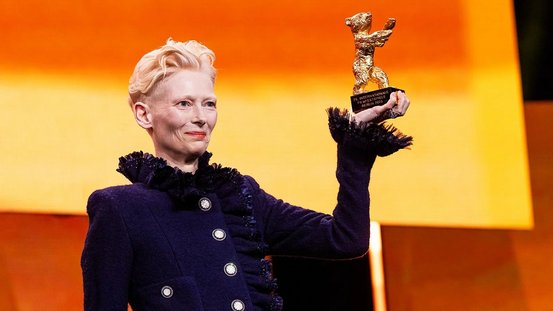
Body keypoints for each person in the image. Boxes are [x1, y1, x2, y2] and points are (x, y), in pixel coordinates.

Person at [81, 38, 412, 311]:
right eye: (184, 104)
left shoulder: (240, 197)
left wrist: (354, 144)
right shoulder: (120, 209)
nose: (200, 117)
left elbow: (345, 239)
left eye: (208, 104)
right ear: (144, 114)